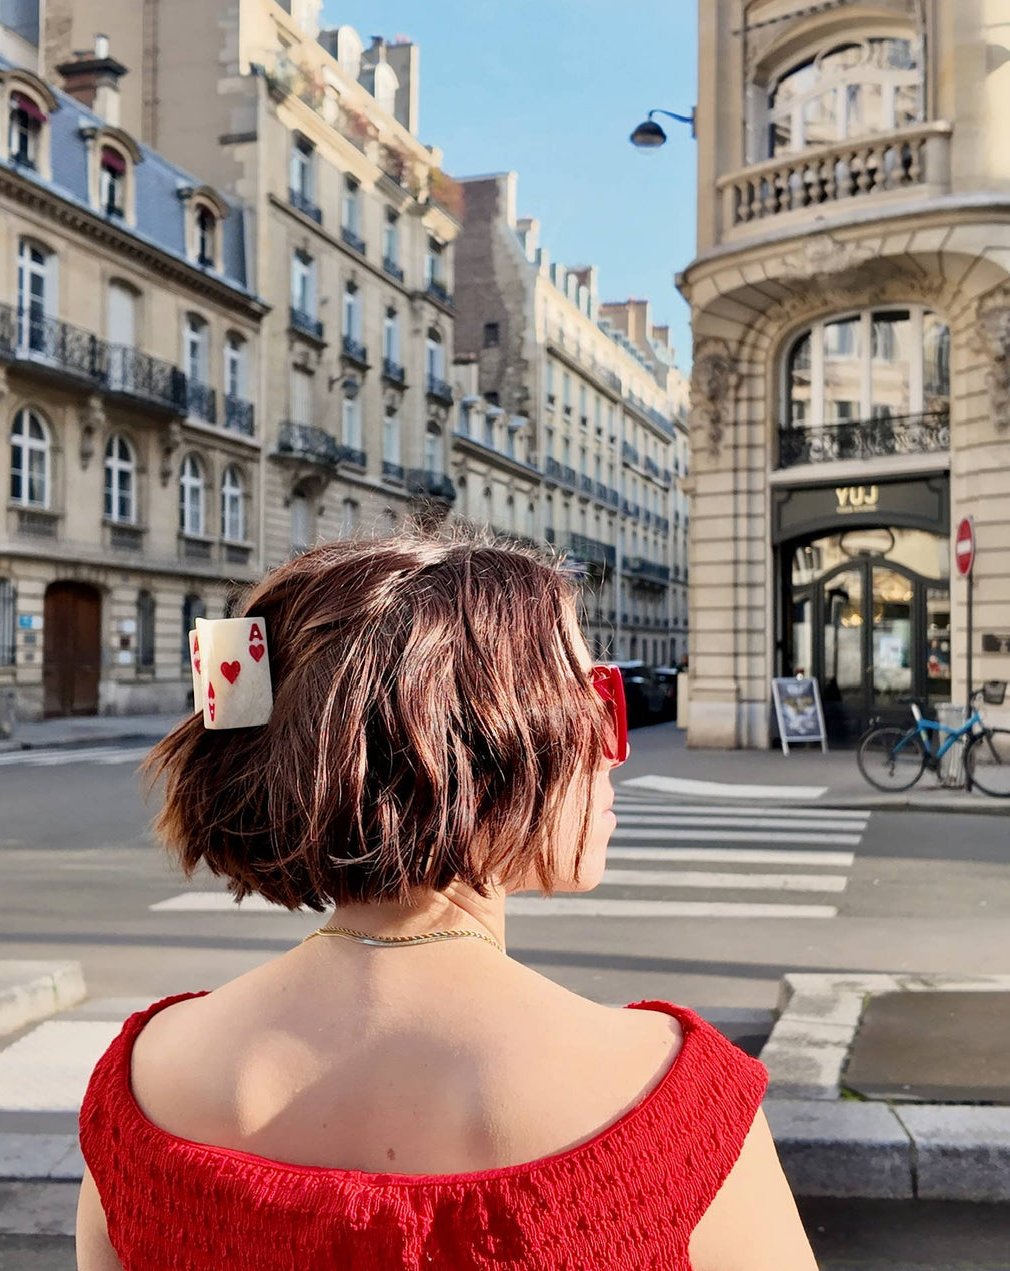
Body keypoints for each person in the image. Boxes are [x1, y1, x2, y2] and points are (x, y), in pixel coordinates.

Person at [77, 532, 817, 1270]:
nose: (610, 748)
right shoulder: (677, 1111)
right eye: (597, 700)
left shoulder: (139, 1088)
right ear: (494, 743)